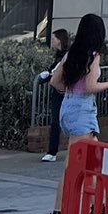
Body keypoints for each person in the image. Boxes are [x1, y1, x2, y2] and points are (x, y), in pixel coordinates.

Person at [46, 14, 108, 214]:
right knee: (73, 165)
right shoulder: (93, 56)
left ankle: (97, 206)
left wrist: (70, 91)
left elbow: (54, 81)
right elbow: (90, 86)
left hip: (68, 107)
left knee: (93, 160)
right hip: (83, 110)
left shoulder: (71, 54)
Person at [39, 27, 72, 161]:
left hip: (65, 91)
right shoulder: (58, 55)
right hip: (57, 90)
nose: (51, 41)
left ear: (59, 40)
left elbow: (60, 71)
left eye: (53, 39)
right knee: (55, 120)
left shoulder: (67, 55)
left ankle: (55, 151)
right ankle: (52, 152)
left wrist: (49, 75)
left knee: (64, 120)